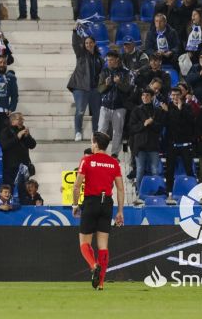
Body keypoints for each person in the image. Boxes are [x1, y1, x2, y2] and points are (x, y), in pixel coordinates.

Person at [72, 131, 125, 290]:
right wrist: (120, 211)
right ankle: (100, 283)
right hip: (107, 203)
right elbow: (121, 189)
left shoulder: (86, 160)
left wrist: (75, 205)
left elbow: (76, 186)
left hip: (91, 202)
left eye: (91, 142)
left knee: (84, 243)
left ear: (95, 144)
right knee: (103, 245)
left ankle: (94, 265)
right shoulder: (114, 163)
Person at [68, 27, 103, 142]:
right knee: (80, 110)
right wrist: (74, 31)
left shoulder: (99, 58)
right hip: (80, 88)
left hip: (94, 89)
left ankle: (95, 133)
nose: (88, 45)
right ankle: (78, 132)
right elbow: (74, 44)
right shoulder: (81, 54)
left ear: (94, 43)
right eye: (86, 43)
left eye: (90, 43)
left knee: (96, 112)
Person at [97, 49, 133, 156]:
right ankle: (100, 151)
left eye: (111, 60)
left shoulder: (125, 73)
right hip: (105, 105)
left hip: (120, 106)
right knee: (101, 130)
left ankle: (114, 154)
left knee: (117, 132)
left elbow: (127, 89)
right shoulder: (104, 72)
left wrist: (119, 83)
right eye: (108, 60)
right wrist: (106, 85)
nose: (109, 62)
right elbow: (99, 89)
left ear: (117, 59)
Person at [130, 89, 164, 191]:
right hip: (140, 146)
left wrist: (151, 123)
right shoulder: (136, 110)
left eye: (147, 95)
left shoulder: (157, 111)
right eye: (143, 95)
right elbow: (132, 128)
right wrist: (144, 124)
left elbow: (160, 128)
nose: (145, 97)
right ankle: (139, 192)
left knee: (155, 170)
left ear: (152, 97)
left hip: (153, 145)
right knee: (140, 170)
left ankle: (156, 191)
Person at [0, 112, 36, 200]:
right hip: (10, 166)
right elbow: (4, 145)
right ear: (12, 121)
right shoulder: (5, 131)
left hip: (23, 167)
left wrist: (27, 137)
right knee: (8, 189)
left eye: (22, 119)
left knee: (24, 189)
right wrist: (17, 137)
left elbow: (32, 145)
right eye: (19, 119)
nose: (22, 121)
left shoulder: (24, 130)